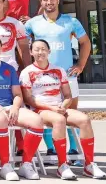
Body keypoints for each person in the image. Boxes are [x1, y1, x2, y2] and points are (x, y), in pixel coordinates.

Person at [21, 39, 105, 180]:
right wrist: (52, 108)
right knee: (59, 120)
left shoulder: (58, 70)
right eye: (36, 49)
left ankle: (89, 165)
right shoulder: (27, 72)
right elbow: (29, 100)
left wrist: (63, 106)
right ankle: (62, 165)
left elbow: (68, 95)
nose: (40, 52)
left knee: (84, 119)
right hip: (40, 109)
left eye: (43, 49)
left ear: (49, 51)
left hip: (59, 107)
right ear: (31, 52)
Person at [25, 0, 91, 163]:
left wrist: (81, 65)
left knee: (70, 113)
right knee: (46, 113)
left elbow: (85, 43)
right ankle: (51, 150)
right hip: (42, 78)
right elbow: (22, 44)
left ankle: (74, 151)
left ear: (58, 0)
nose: (49, 2)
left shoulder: (71, 22)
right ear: (41, 2)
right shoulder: (33, 23)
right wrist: (26, 66)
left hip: (67, 77)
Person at [0, 35, 44, 181]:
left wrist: (15, 108)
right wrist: (0, 108)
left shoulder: (9, 69)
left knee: (37, 121)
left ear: (2, 48)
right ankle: (5, 165)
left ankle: (26, 164)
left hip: (10, 107)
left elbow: (17, 94)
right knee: (0, 120)